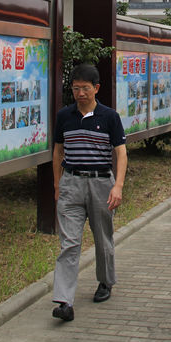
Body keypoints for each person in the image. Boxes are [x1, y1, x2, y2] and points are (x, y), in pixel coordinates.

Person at [51, 64, 127, 321]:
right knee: (69, 243)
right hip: (71, 183)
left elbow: (120, 152)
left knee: (102, 237)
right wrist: (57, 185)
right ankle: (64, 301)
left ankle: (105, 281)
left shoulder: (109, 117)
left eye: (85, 88)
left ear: (96, 88)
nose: (80, 93)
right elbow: (58, 151)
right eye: (75, 88)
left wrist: (118, 185)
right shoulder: (64, 116)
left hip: (101, 183)